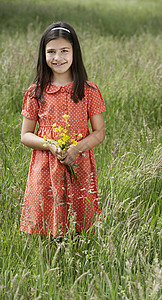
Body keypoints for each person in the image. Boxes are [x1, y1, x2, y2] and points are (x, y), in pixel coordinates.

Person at [20, 21, 106, 237]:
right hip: (45, 165)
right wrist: (49, 145)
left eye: (64, 51)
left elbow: (99, 132)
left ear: (74, 52)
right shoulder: (36, 92)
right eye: (51, 52)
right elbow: (25, 135)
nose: (58, 58)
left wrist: (76, 148)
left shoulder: (89, 90)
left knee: (79, 225)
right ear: (44, 54)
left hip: (79, 162)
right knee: (45, 225)